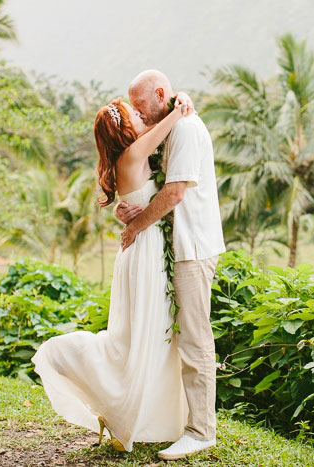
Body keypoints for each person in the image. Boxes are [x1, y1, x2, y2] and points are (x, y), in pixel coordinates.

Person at [31, 92, 195, 452]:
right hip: (144, 250)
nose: (140, 116)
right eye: (132, 114)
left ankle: (126, 413)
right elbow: (174, 117)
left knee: (139, 335)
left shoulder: (127, 158)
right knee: (141, 335)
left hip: (139, 250)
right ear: (123, 130)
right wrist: (179, 103)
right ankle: (115, 402)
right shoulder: (134, 153)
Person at [115, 69, 225, 461]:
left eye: (141, 104)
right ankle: (176, 421)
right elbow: (157, 184)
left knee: (196, 340)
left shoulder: (186, 130)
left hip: (193, 247)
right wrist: (133, 210)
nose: (138, 113)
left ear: (161, 94)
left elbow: (175, 192)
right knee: (178, 340)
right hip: (178, 247)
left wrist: (136, 227)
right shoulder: (171, 123)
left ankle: (201, 431)